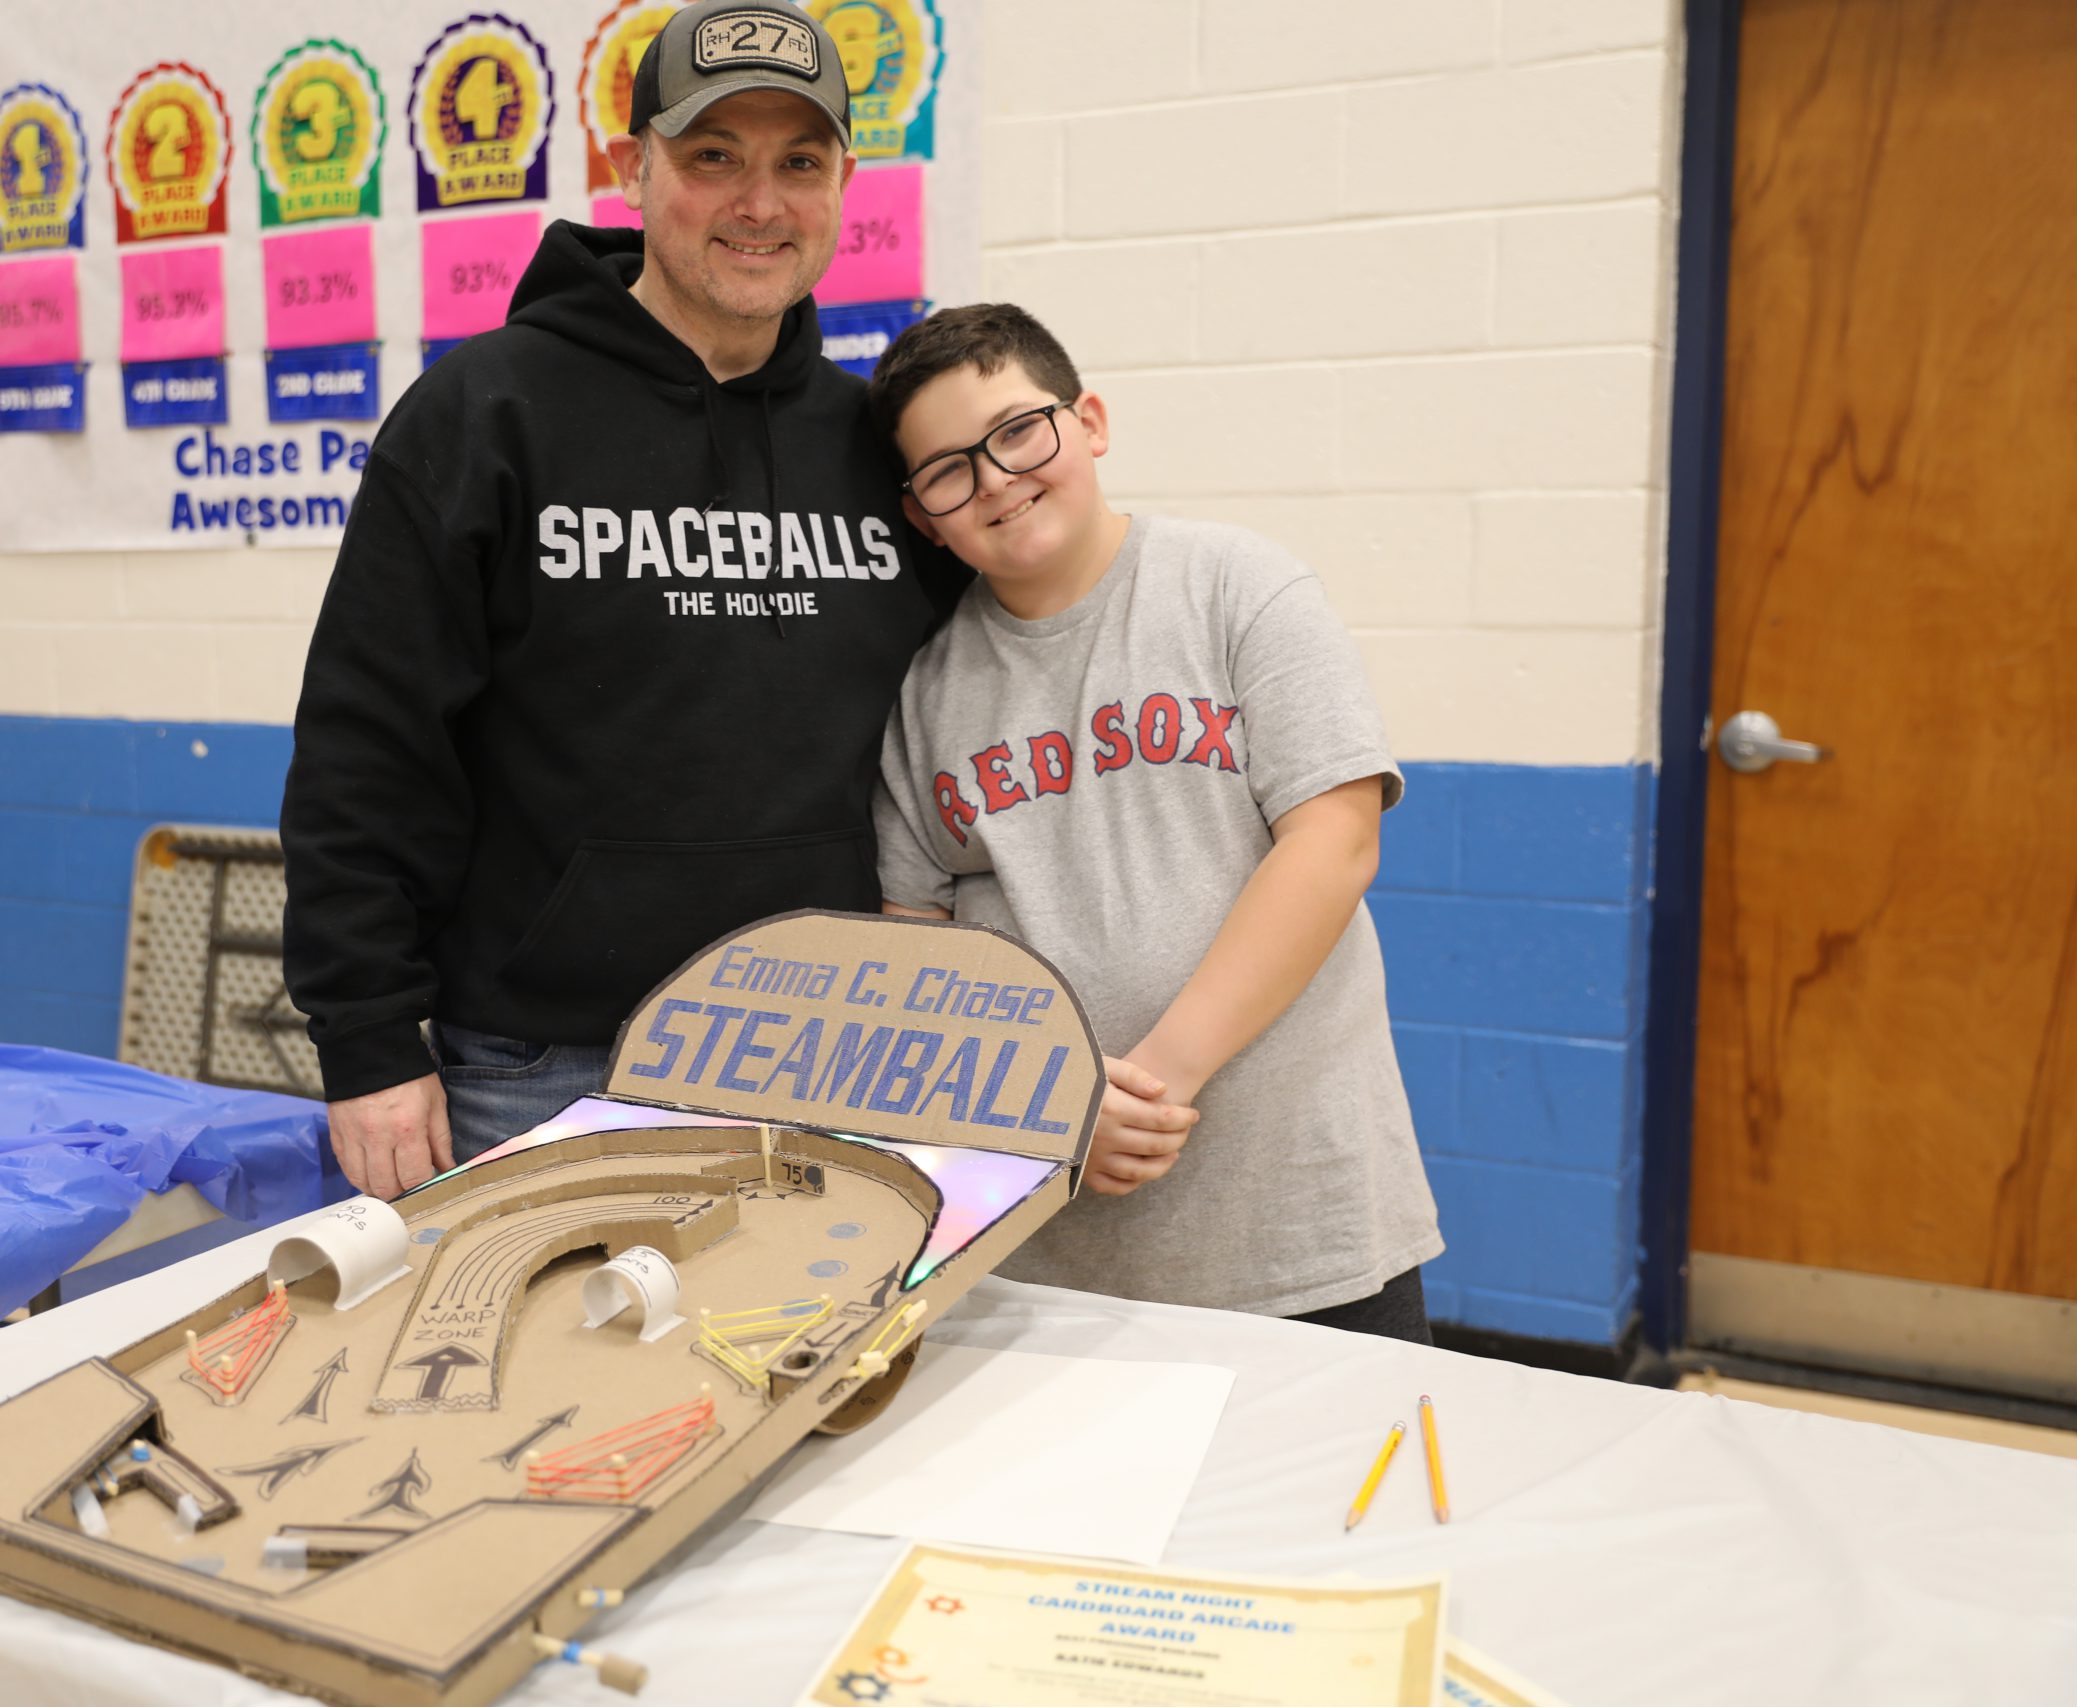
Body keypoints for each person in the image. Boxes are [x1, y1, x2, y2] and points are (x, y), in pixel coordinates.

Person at [282, 1, 957, 1198]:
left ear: (846, 184)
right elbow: (369, 750)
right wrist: (368, 1042)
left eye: (799, 162)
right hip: (547, 1073)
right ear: (632, 168)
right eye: (714, 158)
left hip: (838, 1065)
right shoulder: (484, 418)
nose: (760, 203)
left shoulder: (872, 443)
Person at [864, 304, 1443, 1340]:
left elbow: (1336, 841)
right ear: (922, 516)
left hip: (1301, 1230)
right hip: (1047, 1261)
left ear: (1087, 421)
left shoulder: (1238, 587)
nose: (995, 478)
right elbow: (918, 952)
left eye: (1016, 432)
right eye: (948, 470)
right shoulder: (927, 693)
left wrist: (1148, 1084)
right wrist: (1047, 1109)